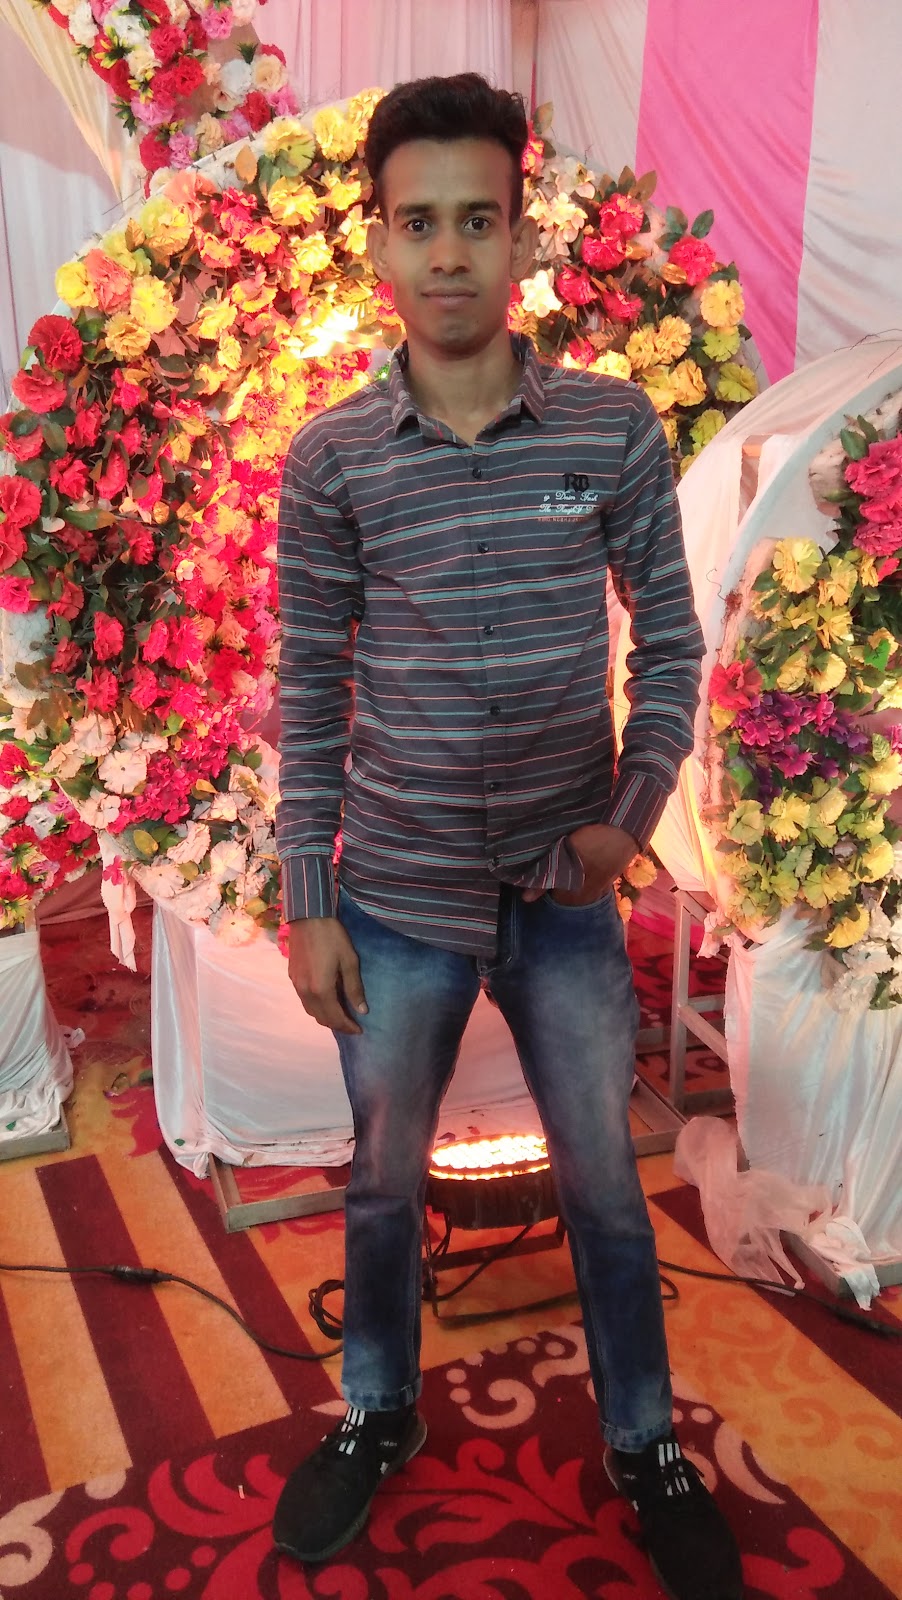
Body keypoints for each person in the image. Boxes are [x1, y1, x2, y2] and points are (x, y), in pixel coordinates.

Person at [273, 72, 743, 1599]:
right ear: (375, 243)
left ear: (522, 236)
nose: (447, 253)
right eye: (417, 223)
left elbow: (669, 643)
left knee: (604, 1181)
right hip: (393, 895)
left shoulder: (608, 428)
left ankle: (641, 1442)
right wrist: (306, 896)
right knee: (380, 1181)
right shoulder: (333, 458)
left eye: (476, 220)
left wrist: (627, 820)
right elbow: (308, 682)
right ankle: (378, 1409)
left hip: (563, 896)